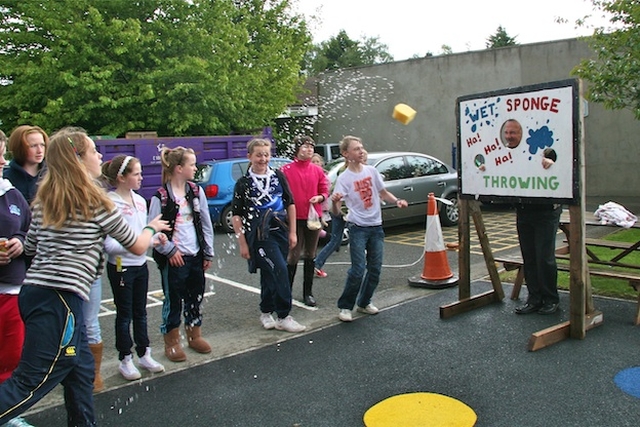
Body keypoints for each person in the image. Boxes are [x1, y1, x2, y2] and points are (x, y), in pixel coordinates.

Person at [0, 127, 170, 426]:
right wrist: (152, 226)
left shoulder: (44, 200)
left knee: (79, 373)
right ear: (78, 158)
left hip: (36, 293)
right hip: (60, 301)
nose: (100, 155)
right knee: (31, 381)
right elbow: (138, 245)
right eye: (94, 151)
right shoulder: (97, 202)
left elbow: (30, 247)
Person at [231, 138, 306, 333]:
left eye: (266, 154)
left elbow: (290, 203)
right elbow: (237, 215)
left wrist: (292, 232)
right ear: (250, 157)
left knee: (270, 273)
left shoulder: (279, 177)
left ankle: (265, 311)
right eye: (258, 155)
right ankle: (283, 315)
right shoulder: (243, 183)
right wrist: (242, 244)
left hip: (279, 232)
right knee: (280, 269)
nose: (263, 159)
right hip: (259, 237)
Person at [330, 136, 407, 322]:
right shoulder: (344, 178)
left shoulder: (372, 171)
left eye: (361, 147)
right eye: (356, 148)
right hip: (357, 227)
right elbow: (336, 211)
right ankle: (345, 306)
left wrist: (396, 201)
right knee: (358, 270)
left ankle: (364, 303)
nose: (361, 151)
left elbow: (383, 193)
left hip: (376, 227)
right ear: (346, 154)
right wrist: (334, 203)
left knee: (375, 269)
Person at [149, 146, 215, 363]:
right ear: (179, 168)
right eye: (192, 164)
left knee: (196, 295)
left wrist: (207, 252)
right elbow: (152, 230)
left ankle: (194, 334)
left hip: (195, 254)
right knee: (174, 299)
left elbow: (205, 223)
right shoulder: (161, 197)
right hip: (175, 257)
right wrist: (169, 250)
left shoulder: (196, 192)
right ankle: (172, 341)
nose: (195, 168)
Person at [102, 155, 165, 381]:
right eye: (136, 174)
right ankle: (125, 358)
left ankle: (144, 353)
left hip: (140, 266)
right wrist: (145, 241)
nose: (141, 177)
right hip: (121, 267)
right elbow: (109, 244)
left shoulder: (139, 200)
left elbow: (143, 233)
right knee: (124, 313)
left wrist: (156, 238)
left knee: (141, 311)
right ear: (121, 178)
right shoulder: (110, 203)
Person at [0, 131, 35, 427]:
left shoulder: (11, 193)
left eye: (2, 154)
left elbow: (27, 229)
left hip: (12, 289)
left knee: (11, 356)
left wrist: (20, 242)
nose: (3, 162)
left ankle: (8, 414)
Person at [280, 136, 329, 307]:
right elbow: (281, 193)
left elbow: (325, 189)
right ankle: (286, 292)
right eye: (305, 147)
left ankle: (308, 293)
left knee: (310, 253)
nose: (309, 150)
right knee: (293, 254)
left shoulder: (317, 170)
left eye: (311, 147)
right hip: (293, 218)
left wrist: (320, 197)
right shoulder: (285, 170)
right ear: (297, 149)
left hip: (313, 217)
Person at [514, 152, 563, 315]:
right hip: (524, 209)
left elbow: (565, 169)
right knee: (529, 256)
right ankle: (534, 298)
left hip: (546, 210)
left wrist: (553, 165)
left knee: (544, 256)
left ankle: (550, 299)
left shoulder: (550, 146)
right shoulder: (516, 152)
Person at [314, 149, 368, 278]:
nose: (364, 162)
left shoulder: (348, 170)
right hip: (344, 210)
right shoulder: (348, 172)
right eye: (363, 159)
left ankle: (317, 264)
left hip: (340, 209)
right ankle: (360, 267)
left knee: (336, 240)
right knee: (358, 238)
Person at [5, 125, 48, 204]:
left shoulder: (51, 175)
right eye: (33, 146)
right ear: (19, 148)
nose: (40, 150)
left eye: (42, 145)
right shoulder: (6, 179)